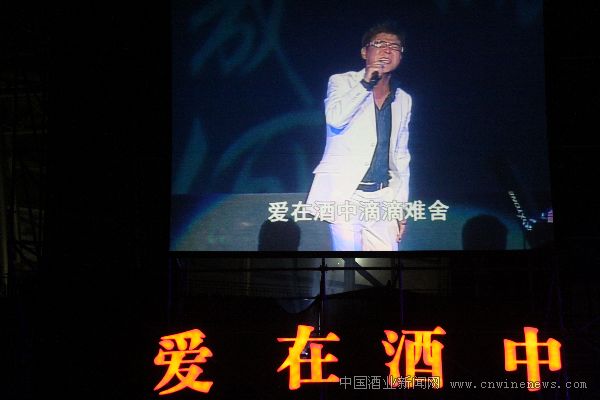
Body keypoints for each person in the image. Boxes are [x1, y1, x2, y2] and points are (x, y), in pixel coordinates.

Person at [306, 21, 412, 251]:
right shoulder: (342, 82)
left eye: (395, 46)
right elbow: (335, 118)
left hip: (383, 196)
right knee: (347, 265)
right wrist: (365, 84)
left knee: (385, 266)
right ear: (365, 52)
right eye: (380, 44)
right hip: (346, 192)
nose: (387, 50)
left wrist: (400, 207)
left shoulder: (404, 99)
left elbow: (401, 156)